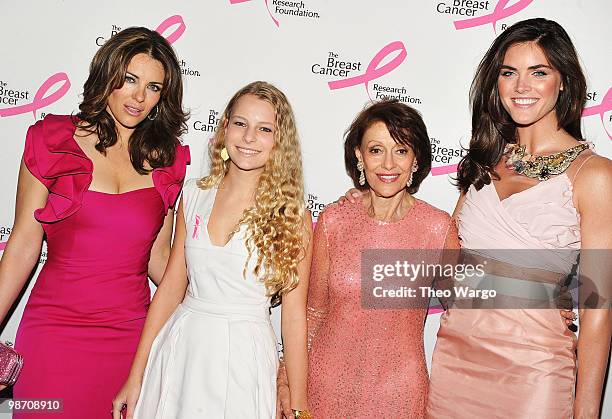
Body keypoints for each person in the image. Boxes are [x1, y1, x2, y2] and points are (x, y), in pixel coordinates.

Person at [426, 18, 612, 418]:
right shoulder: (486, 159)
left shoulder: (593, 174)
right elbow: (450, 251)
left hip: (535, 371)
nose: (522, 86)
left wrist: (587, 412)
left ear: (563, 81)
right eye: (509, 73)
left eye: (539, 72)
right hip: (457, 362)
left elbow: (599, 308)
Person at [0, 27, 189, 418]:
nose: (139, 96)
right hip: (52, 334)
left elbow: (159, 260)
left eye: (153, 87)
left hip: (129, 340)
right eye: (130, 79)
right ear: (108, 76)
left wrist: (217, 301)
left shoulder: (166, 161)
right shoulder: (51, 140)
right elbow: (22, 246)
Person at [113, 81, 312, 419]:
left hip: (247, 360)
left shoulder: (293, 216)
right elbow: (172, 287)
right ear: (224, 128)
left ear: (280, 143)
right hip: (183, 348)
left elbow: (293, 317)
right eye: (240, 123)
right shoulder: (193, 194)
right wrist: (136, 376)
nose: (249, 137)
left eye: (264, 129)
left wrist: (299, 404)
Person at [280, 99, 459, 418]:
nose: (388, 164)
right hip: (325, 386)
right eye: (376, 150)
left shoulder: (437, 228)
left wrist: (551, 296)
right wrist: (287, 384)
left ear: (416, 158)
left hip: (400, 393)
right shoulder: (334, 220)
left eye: (401, 150)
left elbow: (468, 308)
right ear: (359, 156)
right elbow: (312, 314)